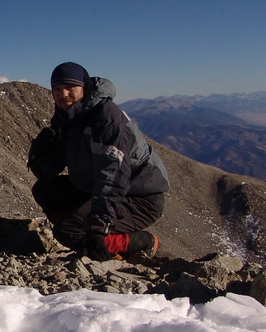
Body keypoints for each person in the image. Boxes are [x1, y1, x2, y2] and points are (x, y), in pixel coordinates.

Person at [28, 61, 169, 260]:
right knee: (44, 190)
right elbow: (50, 172)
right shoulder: (67, 117)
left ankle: (137, 242)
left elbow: (114, 174)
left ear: (84, 87)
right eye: (57, 89)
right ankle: (88, 240)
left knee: (68, 230)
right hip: (96, 187)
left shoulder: (106, 116)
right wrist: (39, 156)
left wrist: (99, 223)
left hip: (139, 195)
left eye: (70, 88)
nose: (63, 94)